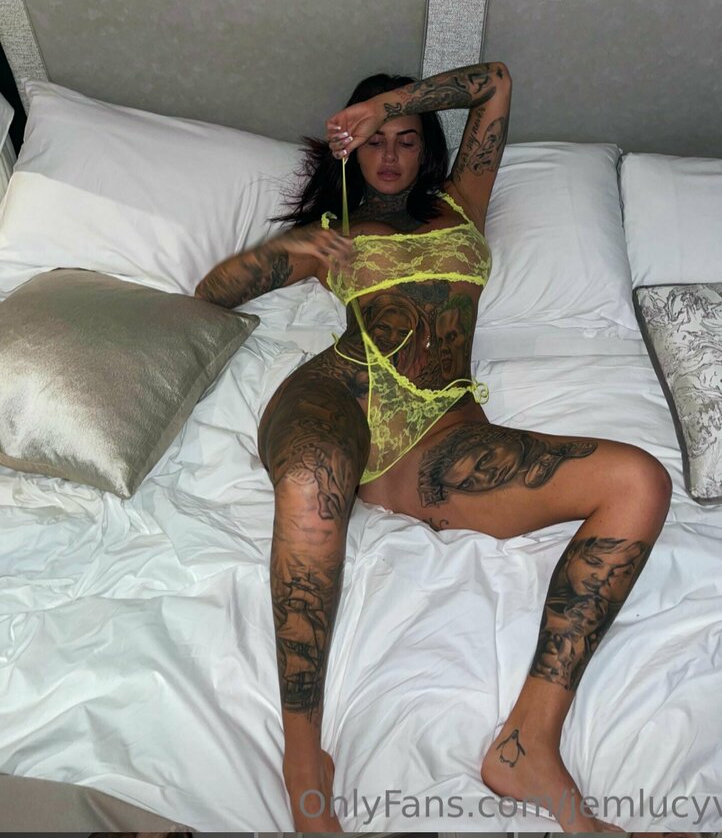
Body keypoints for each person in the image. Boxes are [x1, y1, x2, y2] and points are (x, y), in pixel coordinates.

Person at [194, 62, 672, 834]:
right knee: (312, 484)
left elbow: (495, 84)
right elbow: (212, 294)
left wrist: (379, 104)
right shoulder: (338, 234)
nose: (388, 154)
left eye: (405, 139)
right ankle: (303, 760)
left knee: (638, 482)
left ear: (427, 150)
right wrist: (300, 247)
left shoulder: (461, 205)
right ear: (349, 154)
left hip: (442, 435)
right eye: (373, 141)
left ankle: (527, 743)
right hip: (340, 396)